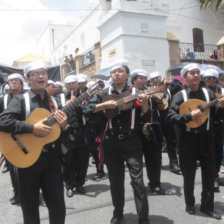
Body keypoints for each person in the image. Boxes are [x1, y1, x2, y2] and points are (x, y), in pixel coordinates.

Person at [0, 62, 67, 224]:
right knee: (30, 209)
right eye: (35, 74)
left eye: (43, 73)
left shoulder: (54, 102)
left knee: (58, 207)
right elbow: (3, 121)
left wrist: (65, 126)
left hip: (52, 160)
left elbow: (59, 131)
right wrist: (31, 128)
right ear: (28, 80)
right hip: (27, 161)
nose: (41, 76)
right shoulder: (21, 100)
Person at [84, 59, 150, 224]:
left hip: (132, 141)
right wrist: (104, 104)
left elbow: (146, 116)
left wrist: (146, 102)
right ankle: (118, 213)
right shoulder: (103, 92)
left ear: (127, 75)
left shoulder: (136, 91)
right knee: (115, 181)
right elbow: (86, 109)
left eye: (120, 71)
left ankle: (143, 218)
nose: (117, 74)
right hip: (111, 141)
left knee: (138, 181)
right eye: (114, 72)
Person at [168, 63, 224, 219]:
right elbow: (171, 117)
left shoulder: (208, 94)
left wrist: (222, 107)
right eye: (192, 73)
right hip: (187, 140)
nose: (196, 75)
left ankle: (207, 206)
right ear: (185, 77)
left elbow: (217, 116)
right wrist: (188, 116)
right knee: (189, 174)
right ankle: (190, 203)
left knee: (209, 173)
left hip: (206, 139)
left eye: (198, 73)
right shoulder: (180, 96)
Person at [131, 69, 166, 195]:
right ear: (134, 80)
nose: (143, 80)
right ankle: (137, 183)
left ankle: (155, 183)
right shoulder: (130, 93)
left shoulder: (152, 91)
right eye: (140, 78)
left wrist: (160, 100)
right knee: (136, 160)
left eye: (145, 78)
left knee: (154, 157)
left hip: (152, 127)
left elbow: (162, 108)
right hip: (136, 130)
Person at [149, 71, 181, 174]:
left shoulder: (169, 88)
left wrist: (172, 83)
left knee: (171, 142)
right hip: (157, 119)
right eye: (152, 79)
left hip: (169, 118)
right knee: (157, 143)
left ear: (161, 78)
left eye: (156, 78)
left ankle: (174, 163)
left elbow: (181, 88)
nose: (155, 80)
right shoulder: (150, 91)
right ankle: (158, 163)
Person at [0, 73, 25, 205]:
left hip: (26, 137)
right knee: (12, 168)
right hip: (8, 139)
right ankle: (17, 193)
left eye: (16, 80)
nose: (13, 82)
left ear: (22, 84)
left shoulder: (27, 98)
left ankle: (30, 194)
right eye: (11, 81)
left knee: (27, 167)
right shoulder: (3, 99)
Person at [202, 69, 224, 192]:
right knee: (208, 152)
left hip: (219, 125)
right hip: (207, 125)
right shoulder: (202, 91)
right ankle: (210, 177)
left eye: (210, 78)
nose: (207, 80)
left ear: (216, 79)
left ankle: (215, 175)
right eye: (205, 78)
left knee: (218, 151)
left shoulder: (222, 91)